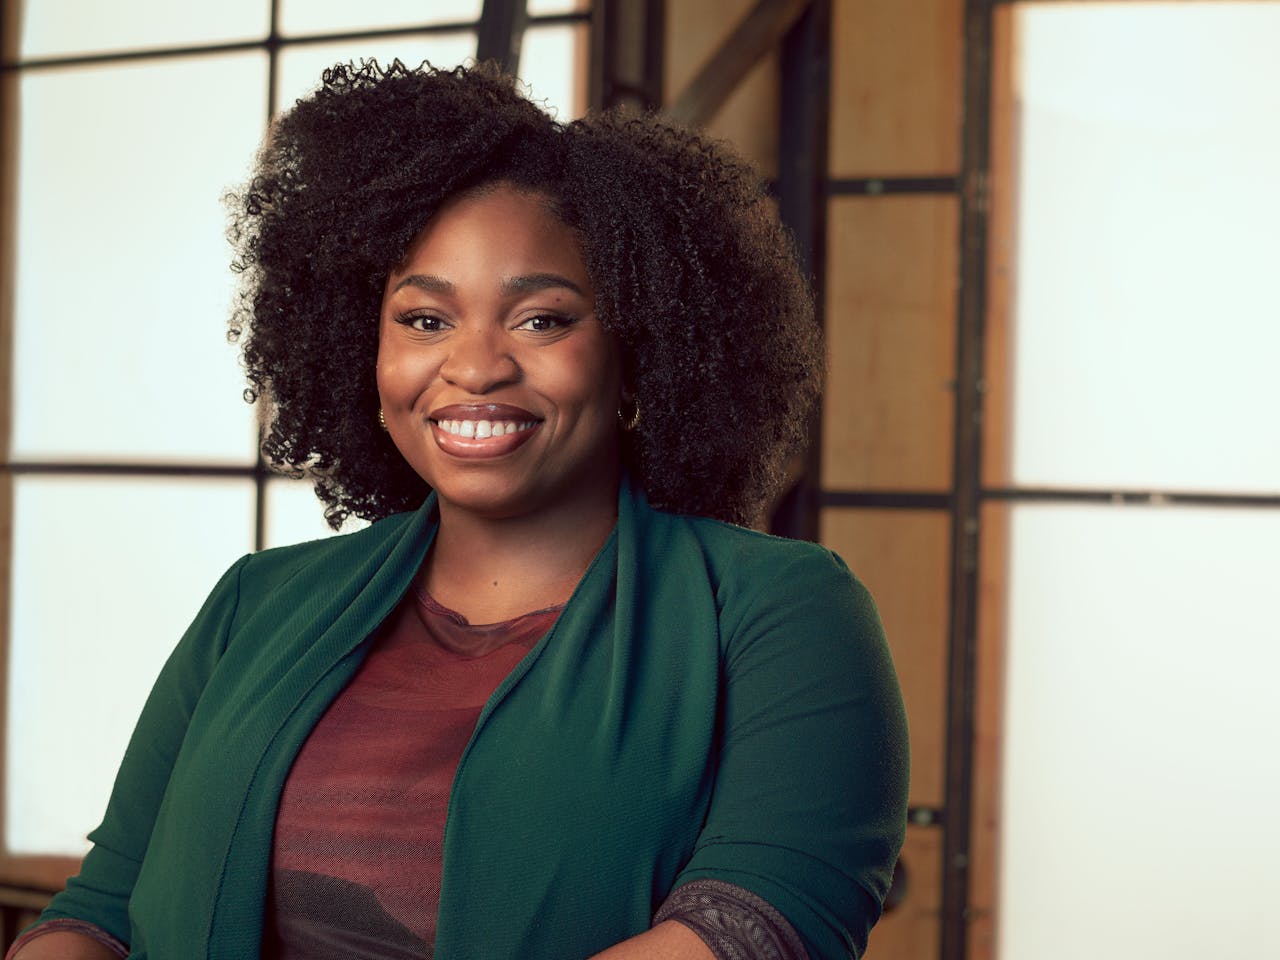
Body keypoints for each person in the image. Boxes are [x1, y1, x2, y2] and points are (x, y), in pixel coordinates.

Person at [9, 61, 908, 960]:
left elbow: (757, 929)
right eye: (425, 320)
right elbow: (101, 910)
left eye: (543, 319)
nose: (474, 367)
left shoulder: (776, 613)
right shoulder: (255, 605)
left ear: (639, 351)